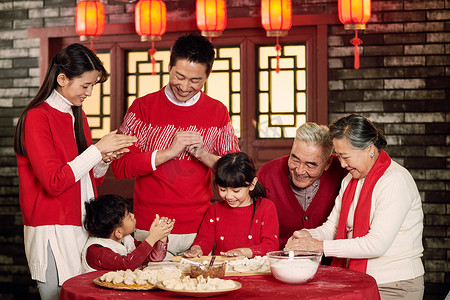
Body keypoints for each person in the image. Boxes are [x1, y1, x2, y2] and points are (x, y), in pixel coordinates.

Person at [13, 43, 137, 300]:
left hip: (82, 224)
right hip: (51, 228)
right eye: (85, 85)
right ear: (62, 79)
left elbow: (89, 181)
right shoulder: (37, 117)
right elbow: (53, 182)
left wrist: (103, 159)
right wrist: (96, 150)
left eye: (93, 86)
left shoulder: (77, 117)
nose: (90, 93)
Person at [111, 33, 240, 259]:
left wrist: (203, 155)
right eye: (179, 76)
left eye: (195, 81)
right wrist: (168, 153)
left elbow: (236, 174)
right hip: (150, 229)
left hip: (202, 230)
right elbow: (120, 167)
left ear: (208, 75)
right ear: (169, 66)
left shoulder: (218, 111)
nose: (184, 86)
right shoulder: (142, 107)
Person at [285, 114, 425, 299]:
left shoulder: (394, 180)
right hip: (359, 281)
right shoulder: (350, 180)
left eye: (345, 156)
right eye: (339, 156)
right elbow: (333, 228)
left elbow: (376, 244)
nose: (342, 164)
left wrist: (317, 246)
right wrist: (306, 237)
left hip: (395, 285)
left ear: (369, 149)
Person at [257, 123, 347, 249]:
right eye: (295, 159)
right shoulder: (267, 173)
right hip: (278, 261)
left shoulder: (344, 172)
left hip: (330, 263)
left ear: (327, 163)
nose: (299, 171)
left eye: (310, 165)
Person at [183, 152, 279, 258]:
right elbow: (204, 240)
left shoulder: (265, 207)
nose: (228, 196)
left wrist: (243, 253)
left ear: (252, 184)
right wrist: (197, 249)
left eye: (236, 191)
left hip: (255, 269)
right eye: (223, 189)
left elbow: (271, 246)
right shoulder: (215, 210)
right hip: (223, 269)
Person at [81, 194, 174, 273]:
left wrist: (162, 235)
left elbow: (155, 258)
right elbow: (128, 264)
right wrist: (152, 238)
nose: (133, 216)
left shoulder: (126, 240)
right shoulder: (96, 251)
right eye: (129, 216)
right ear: (118, 233)